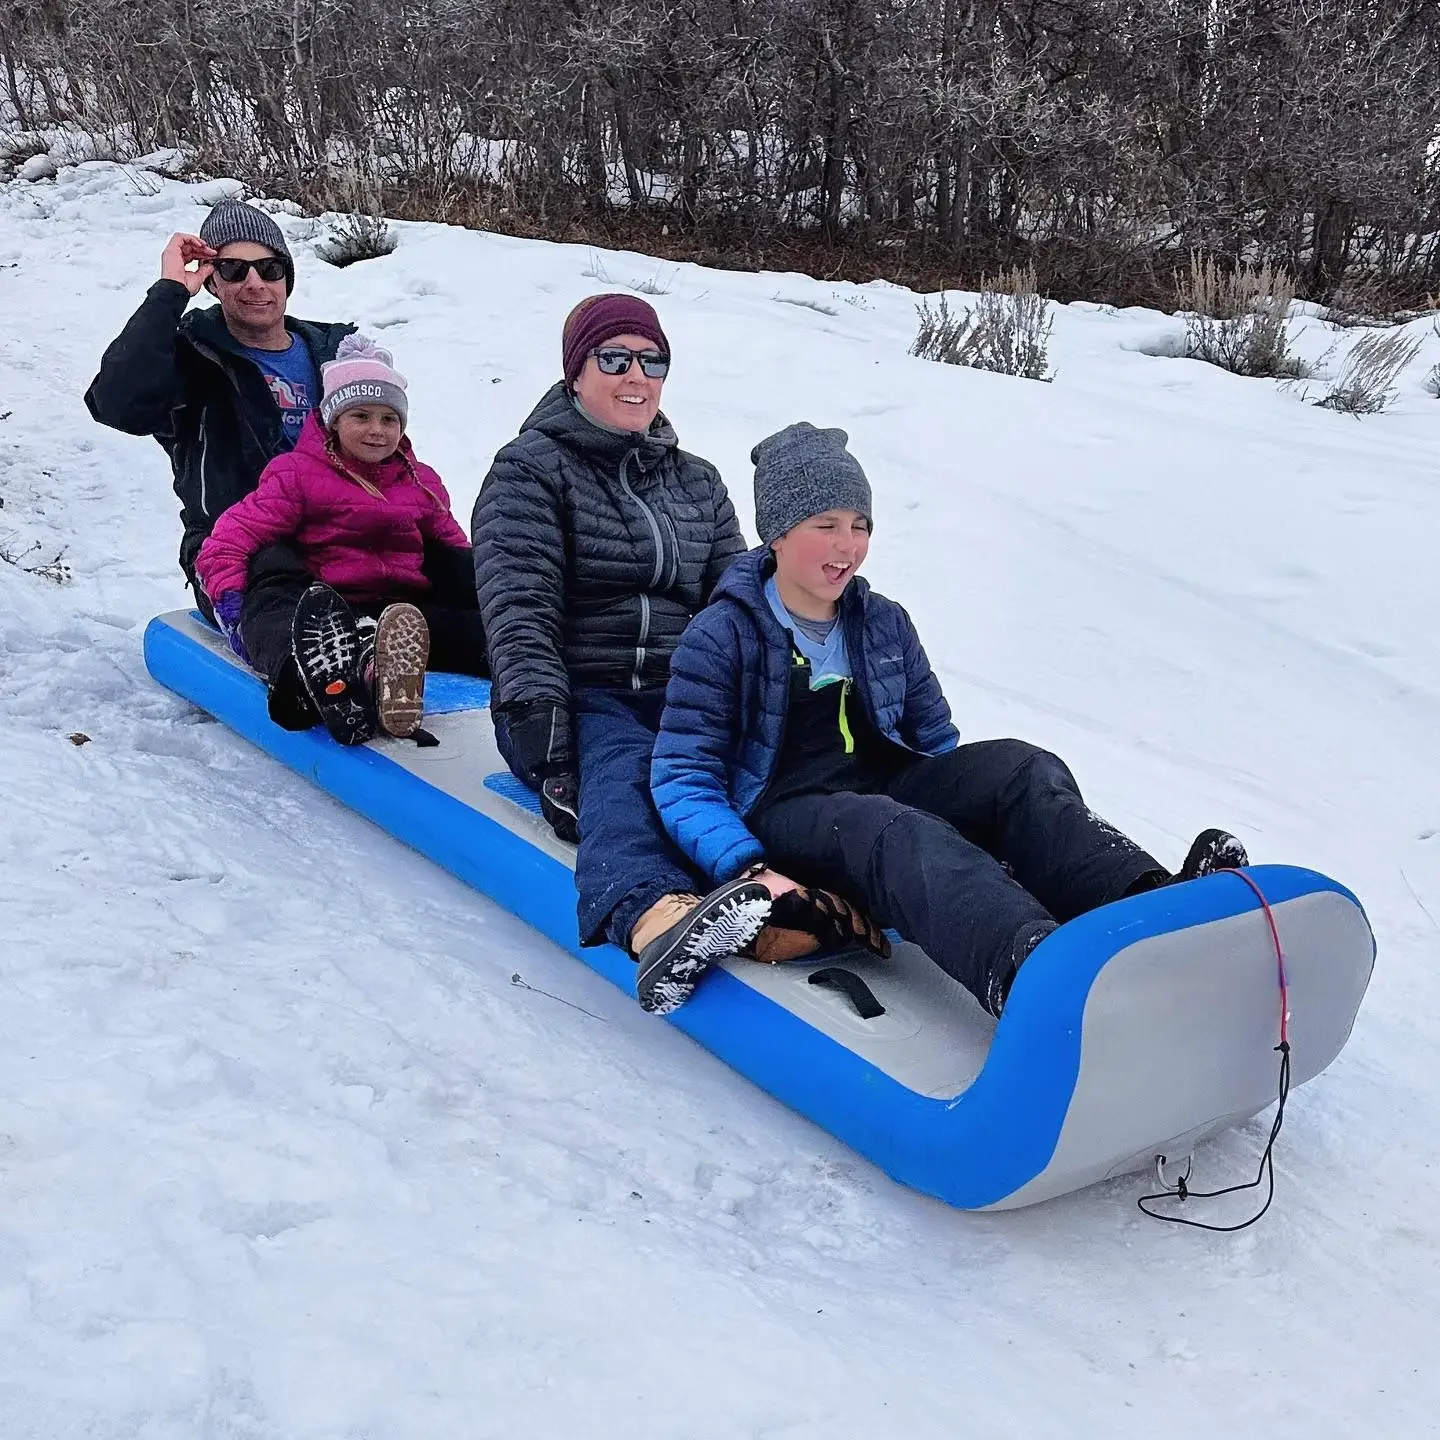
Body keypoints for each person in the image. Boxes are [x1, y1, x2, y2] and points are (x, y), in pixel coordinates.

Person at [646, 422, 1250, 1014]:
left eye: (859, 526)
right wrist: (746, 866)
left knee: (1018, 767)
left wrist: (983, 821)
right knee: (891, 824)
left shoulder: (882, 621)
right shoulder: (724, 635)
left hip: (881, 789)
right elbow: (681, 773)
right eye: (824, 525)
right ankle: (1027, 966)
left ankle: (1149, 906)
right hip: (785, 810)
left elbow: (936, 740)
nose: (846, 546)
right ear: (777, 534)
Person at [473, 293, 794, 990]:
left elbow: (734, 603)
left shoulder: (697, 480)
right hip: (586, 690)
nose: (636, 376)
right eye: (613, 358)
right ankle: (649, 909)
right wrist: (542, 730)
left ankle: (795, 895)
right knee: (629, 771)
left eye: (653, 361)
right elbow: (519, 605)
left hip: (683, 688)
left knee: (755, 773)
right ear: (575, 373)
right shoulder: (530, 469)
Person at [195, 334, 486, 744]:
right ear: (334, 420)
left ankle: (523, 656)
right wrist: (230, 602)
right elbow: (232, 537)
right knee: (271, 566)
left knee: (463, 580)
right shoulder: (297, 473)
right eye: (361, 417)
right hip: (324, 617)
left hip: (401, 617)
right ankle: (310, 675)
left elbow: (456, 551)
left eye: (389, 419)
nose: (377, 431)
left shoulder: (420, 480)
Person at [85, 199, 354, 618]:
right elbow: (118, 403)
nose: (255, 283)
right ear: (212, 281)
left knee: (457, 572)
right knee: (284, 588)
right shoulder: (193, 357)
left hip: (342, 536)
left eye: (269, 268)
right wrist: (170, 291)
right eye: (233, 269)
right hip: (236, 550)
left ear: (286, 277)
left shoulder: (336, 354)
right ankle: (326, 669)